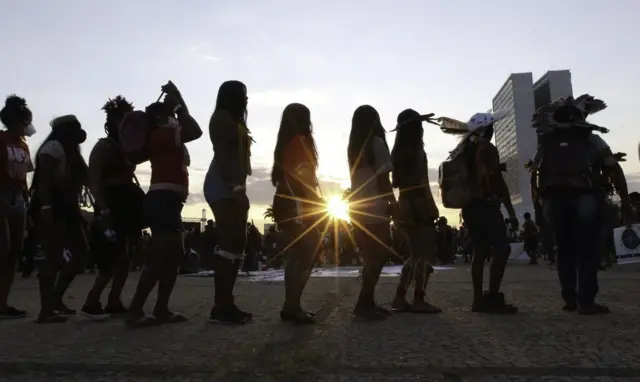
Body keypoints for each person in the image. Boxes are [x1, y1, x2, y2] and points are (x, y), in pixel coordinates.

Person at [531, 95, 632, 314]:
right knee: (588, 249)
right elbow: (613, 168)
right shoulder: (592, 139)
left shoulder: (547, 143)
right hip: (586, 198)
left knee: (564, 249)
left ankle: (570, 298)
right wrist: (625, 200)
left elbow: (535, 173)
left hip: (554, 201)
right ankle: (587, 301)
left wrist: (540, 205)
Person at [127, 81, 202, 327]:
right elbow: (193, 129)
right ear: (160, 118)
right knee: (162, 258)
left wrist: (178, 102)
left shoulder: (162, 135)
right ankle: (136, 310)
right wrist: (179, 101)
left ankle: (161, 308)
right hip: (163, 201)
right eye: (170, 115)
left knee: (173, 257)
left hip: (168, 201)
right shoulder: (162, 134)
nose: (174, 118)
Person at [439, 110, 518, 314]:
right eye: (491, 127)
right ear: (486, 130)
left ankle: (477, 300)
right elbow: (496, 181)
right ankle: (492, 296)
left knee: (480, 251)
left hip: (470, 208)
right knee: (502, 248)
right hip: (486, 205)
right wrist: (510, 211)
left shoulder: (465, 150)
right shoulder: (487, 149)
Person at [82, 96, 145, 319]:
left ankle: (114, 299)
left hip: (128, 202)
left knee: (126, 255)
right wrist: (104, 210)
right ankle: (92, 299)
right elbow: (94, 181)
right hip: (111, 203)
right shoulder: (103, 147)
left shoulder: (130, 148)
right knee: (112, 256)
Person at [30, 115, 90, 323]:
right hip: (53, 205)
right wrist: (46, 206)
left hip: (67, 205)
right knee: (51, 257)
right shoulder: (54, 147)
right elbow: (44, 179)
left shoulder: (71, 151)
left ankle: (54, 299)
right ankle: (46, 309)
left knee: (81, 252)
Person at [204, 80, 253, 324]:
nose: (246, 99)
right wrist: (235, 188)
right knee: (228, 242)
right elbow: (223, 155)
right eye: (242, 94)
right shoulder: (222, 118)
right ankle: (220, 304)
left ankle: (227, 302)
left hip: (234, 183)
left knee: (237, 243)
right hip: (223, 184)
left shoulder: (234, 120)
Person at [270, 103, 324, 324]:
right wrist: (314, 200)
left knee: (299, 256)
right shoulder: (301, 142)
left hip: (286, 201)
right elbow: (302, 177)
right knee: (306, 254)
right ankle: (292, 306)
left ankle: (291, 305)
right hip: (298, 204)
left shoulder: (286, 143)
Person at [347, 105, 397, 319]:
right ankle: (364, 301)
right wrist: (393, 203)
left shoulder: (354, 148)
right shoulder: (376, 143)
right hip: (376, 206)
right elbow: (383, 179)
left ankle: (367, 300)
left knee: (371, 255)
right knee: (379, 253)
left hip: (357, 207)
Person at [390, 109, 442, 314]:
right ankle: (418, 298)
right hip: (417, 203)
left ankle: (400, 297)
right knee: (424, 254)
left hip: (405, 202)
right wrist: (429, 207)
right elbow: (420, 183)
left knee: (414, 255)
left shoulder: (398, 151)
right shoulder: (415, 151)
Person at [0, 95, 35, 318]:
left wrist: (27, 203)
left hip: (18, 198)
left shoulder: (23, 146)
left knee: (14, 252)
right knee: (2, 249)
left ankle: (2, 303)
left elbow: (24, 177)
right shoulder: (1, 139)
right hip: (1, 194)